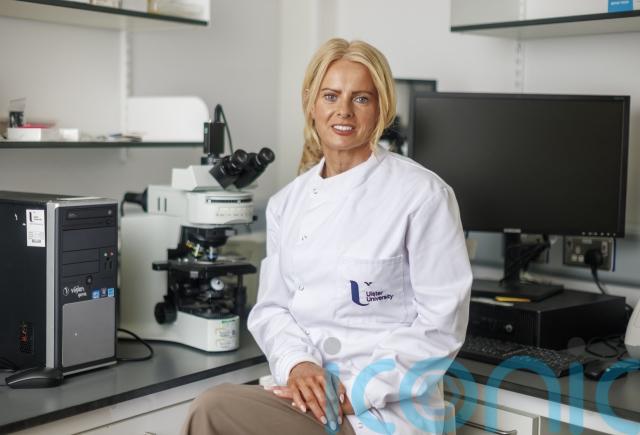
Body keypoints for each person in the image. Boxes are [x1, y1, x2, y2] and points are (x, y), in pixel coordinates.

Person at [181, 38, 472, 435]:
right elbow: (272, 310)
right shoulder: (287, 203)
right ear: (311, 104)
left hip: (382, 412)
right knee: (212, 407)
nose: (344, 111)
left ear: (382, 109)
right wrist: (297, 364)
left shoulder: (422, 195)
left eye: (361, 99)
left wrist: (355, 393)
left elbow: (441, 325)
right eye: (331, 96)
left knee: (213, 409)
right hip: (307, 397)